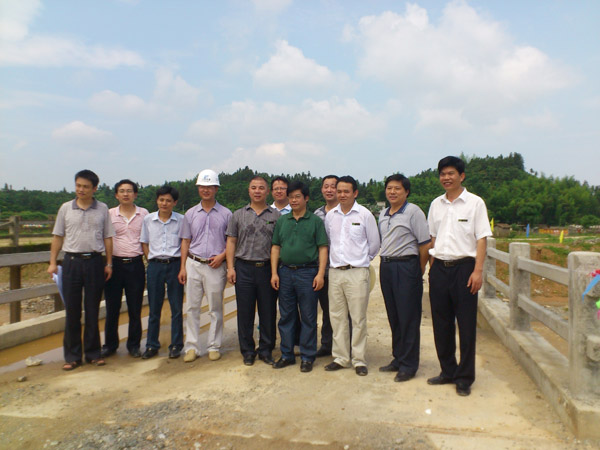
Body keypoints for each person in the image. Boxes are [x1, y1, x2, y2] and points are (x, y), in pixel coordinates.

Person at [427, 156, 492, 396]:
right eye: (443, 174)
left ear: (461, 176)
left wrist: (478, 270)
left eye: (451, 173)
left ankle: (464, 378)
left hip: (465, 268)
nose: (446, 178)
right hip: (439, 268)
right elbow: (433, 238)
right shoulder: (436, 204)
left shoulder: (475, 203)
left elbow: (481, 238)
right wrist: (432, 268)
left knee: (465, 325)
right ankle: (447, 371)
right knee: (441, 323)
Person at [47, 170, 114, 370]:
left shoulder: (102, 209)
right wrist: (52, 262)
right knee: (72, 311)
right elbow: (58, 236)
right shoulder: (66, 208)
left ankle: (93, 353)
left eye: (85, 186)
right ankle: (72, 356)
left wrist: (109, 263)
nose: (81, 190)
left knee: (92, 310)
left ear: (94, 188)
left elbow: (108, 237)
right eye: (78, 185)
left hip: (94, 262)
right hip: (71, 263)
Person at [324, 175, 380, 376]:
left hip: (357, 273)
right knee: (337, 317)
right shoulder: (331, 216)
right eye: (339, 191)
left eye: (346, 191)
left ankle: (359, 359)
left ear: (355, 193)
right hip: (335, 273)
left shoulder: (364, 215)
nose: (342, 195)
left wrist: (362, 261)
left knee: (358, 318)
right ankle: (341, 357)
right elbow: (329, 242)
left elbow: (374, 244)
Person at [270, 181, 328, 373]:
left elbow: (322, 248)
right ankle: (287, 354)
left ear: (306, 198)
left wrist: (320, 274)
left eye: (297, 197)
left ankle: (307, 356)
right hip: (285, 272)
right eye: (291, 197)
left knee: (308, 316)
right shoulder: (282, 221)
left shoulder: (315, 221)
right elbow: (276, 247)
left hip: (308, 273)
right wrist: (274, 273)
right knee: (286, 316)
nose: (293, 200)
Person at [378, 174, 431, 382]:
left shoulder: (414, 212)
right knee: (394, 315)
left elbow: (425, 244)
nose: (392, 192)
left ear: (406, 192)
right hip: (387, 266)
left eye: (397, 188)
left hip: (406, 266)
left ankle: (409, 365)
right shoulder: (383, 214)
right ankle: (398, 358)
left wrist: (419, 269)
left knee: (408, 317)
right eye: (389, 188)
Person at [178, 169, 232, 363]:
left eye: (210, 186)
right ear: (198, 188)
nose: (206, 190)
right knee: (192, 307)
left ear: (216, 188)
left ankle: (213, 346)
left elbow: (231, 241)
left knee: (215, 308)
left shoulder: (226, 214)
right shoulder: (190, 213)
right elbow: (185, 240)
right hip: (194, 262)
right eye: (202, 186)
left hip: (216, 266)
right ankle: (192, 347)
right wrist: (183, 267)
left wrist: (222, 257)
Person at [225, 176, 280, 366]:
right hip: (244, 268)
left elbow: (277, 246)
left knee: (268, 311)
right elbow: (231, 241)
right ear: (248, 190)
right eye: (254, 188)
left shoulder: (276, 216)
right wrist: (230, 267)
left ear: (267, 191)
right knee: (245, 312)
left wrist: (275, 272)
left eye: (261, 188)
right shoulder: (238, 215)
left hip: (266, 269)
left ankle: (266, 349)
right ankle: (247, 351)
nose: (257, 191)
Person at [101, 179, 148, 359]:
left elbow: (148, 239)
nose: (126, 194)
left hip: (135, 264)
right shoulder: (109, 214)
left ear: (135, 194)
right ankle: (110, 345)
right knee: (112, 308)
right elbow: (104, 237)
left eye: (129, 191)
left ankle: (134, 345)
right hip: (114, 265)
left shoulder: (144, 214)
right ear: (116, 195)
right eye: (122, 191)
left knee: (135, 308)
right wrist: (107, 263)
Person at [140, 185, 185, 359]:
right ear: (157, 201)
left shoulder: (181, 220)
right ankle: (152, 345)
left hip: (175, 265)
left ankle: (176, 345)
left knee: (176, 308)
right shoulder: (148, 220)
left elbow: (184, 243)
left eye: (168, 200)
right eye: (161, 200)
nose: (164, 203)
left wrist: (182, 267)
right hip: (155, 266)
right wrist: (151, 260)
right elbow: (144, 242)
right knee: (154, 307)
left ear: (175, 202)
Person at [313, 175, 339, 357]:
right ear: (322, 189)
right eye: (326, 186)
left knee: (342, 311)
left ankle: (344, 346)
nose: (329, 190)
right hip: (321, 271)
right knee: (326, 309)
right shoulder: (317, 214)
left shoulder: (346, 212)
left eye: (333, 186)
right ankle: (327, 344)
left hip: (341, 269)